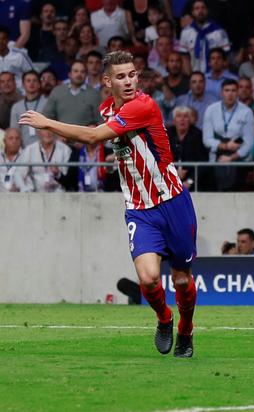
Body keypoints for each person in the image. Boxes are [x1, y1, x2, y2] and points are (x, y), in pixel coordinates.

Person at [19, 50, 199, 358]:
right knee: (148, 278)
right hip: (139, 210)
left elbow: (91, 137)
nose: (128, 81)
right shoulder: (106, 111)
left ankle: (185, 328)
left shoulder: (143, 105)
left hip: (173, 202)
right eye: (120, 76)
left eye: (132, 75)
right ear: (107, 81)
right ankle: (164, 319)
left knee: (181, 279)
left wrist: (47, 123)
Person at [203, 79, 254, 191]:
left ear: (238, 93)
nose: (230, 94)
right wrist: (225, 146)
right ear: (221, 93)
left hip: (239, 160)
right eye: (227, 90)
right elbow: (207, 139)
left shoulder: (247, 112)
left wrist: (231, 157)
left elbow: (249, 143)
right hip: (216, 157)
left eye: (233, 90)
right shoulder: (211, 110)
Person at [42, 61, 102, 127]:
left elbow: (101, 121)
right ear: (69, 74)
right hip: (61, 135)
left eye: (82, 72)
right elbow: (46, 116)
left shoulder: (94, 94)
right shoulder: (57, 91)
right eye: (76, 71)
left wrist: (95, 127)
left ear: (86, 75)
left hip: (85, 135)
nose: (79, 74)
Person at [179, 0, 231, 72]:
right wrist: (189, 77)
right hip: (195, 77)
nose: (200, 11)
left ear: (207, 11)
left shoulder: (219, 32)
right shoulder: (186, 32)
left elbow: (226, 58)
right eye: (197, 8)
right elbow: (185, 58)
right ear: (192, 13)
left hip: (215, 76)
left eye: (203, 8)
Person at [168, 106, 211, 191]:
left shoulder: (198, 135)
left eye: (185, 116)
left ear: (190, 120)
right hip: (170, 179)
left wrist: (190, 181)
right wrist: (174, 173)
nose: (182, 119)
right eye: (179, 116)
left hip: (194, 182)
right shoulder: (167, 134)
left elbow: (203, 162)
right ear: (174, 120)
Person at [10, 71, 46, 147]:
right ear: (23, 84)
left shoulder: (47, 103)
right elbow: (14, 131)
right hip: (24, 149)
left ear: (39, 84)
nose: (31, 83)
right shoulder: (16, 107)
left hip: (45, 148)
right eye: (28, 81)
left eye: (34, 80)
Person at [0, 127, 21, 192]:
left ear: (21, 141)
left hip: (19, 195)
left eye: (17, 138)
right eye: (10, 138)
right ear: (4, 141)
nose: (14, 141)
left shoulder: (26, 156)